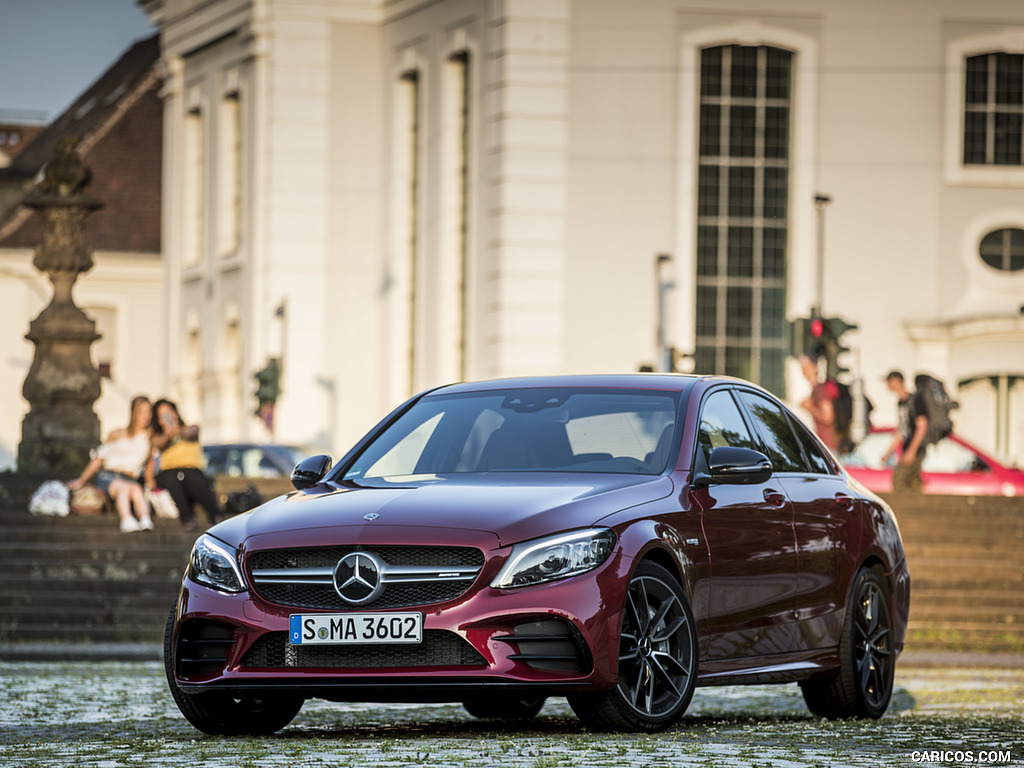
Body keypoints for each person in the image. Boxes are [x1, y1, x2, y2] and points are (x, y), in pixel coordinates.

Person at [68, 395, 155, 533]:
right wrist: (81, 480)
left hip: (130, 478)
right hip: (109, 476)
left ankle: (145, 520)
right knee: (124, 488)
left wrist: (151, 483)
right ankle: (126, 519)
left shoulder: (148, 438)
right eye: (142, 412)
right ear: (134, 413)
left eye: (149, 412)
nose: (146, 416)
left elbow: (150, 463)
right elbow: (99, 458)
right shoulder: (117, 434)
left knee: (136, 489)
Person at [151, 399, 223, 531]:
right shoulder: (158, 437)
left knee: (190, 477)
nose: (169, 417)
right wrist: (168, 434)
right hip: (169, 472)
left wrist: (179, 432)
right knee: (173, 477)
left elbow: (193, 431)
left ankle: (214, 515)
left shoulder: (190, 429)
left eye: (170, 412)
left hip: (191, 471)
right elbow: (158, 443)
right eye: (163, 415)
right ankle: (187, 517)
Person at [881, 370, 929, 492]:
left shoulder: (915, 400)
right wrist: (887, 453)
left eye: (889, 382)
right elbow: (902, 431)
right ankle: (917, 509)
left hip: (916, 449)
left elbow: (922, 426)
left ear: (897, 381)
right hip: (908, 449)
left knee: (899, 480)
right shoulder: (901, 403)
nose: (887, 385)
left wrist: (911, 451)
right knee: (912, 485)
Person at [799, 353, 840, 452]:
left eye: (806, 367)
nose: (804, 370)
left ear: (815, 367)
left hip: (827, 446)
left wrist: (809, 408)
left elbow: (827, 417)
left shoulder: (820, 389)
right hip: (821, 445)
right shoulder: (815, 390)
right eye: (802, 367)